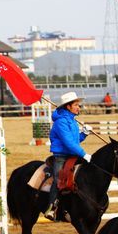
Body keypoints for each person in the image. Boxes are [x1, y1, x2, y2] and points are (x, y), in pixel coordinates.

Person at [45, 92, 92, 221]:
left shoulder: (72, 121)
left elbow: (75, 141)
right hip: (61, 156)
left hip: (72, 155)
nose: (79, 107)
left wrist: (84, 134)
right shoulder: (60, 122)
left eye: (79, 105)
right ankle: (51, 208)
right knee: (59, 180)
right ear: (68, 106)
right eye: (76, 105)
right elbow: (68, 143)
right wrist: (83, 154)